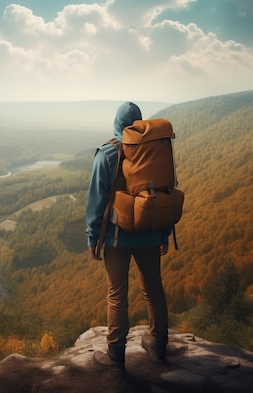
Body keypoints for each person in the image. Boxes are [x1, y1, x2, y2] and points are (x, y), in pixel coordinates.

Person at [85, 101, 171, 371]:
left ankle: (116, 355)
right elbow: (166, 190)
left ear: (116, 124)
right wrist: (164, 233)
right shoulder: (157, 150)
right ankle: (158, 346)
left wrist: (92, 237)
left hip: (117, 238)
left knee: (117, 295)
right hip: (150, 232)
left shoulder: (108, 153)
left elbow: (96, 200)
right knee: (154, 291)